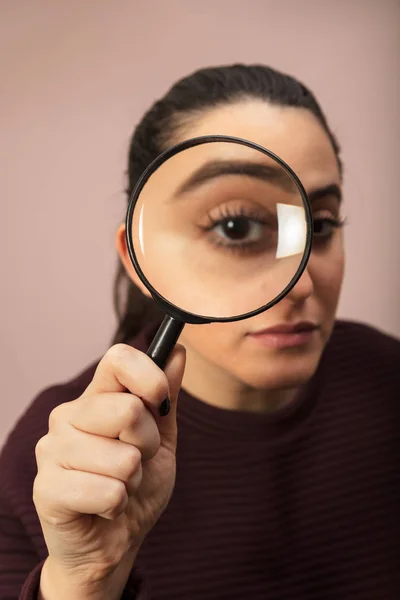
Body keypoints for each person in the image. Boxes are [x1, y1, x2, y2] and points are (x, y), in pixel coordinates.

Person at [0, 64, 399, 600]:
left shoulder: (389, 380)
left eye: (321, 226)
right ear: (139, 258)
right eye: (236, 226)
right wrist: (87, 578)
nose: (300, 283)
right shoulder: (56, 455)